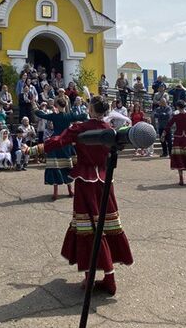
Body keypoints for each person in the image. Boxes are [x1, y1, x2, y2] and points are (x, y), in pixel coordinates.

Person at [28, 96, 133, 295]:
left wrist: (34, 149)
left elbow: (59, 141)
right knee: (106, 224)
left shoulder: (81, 128)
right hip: (105, 181)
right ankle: (109, 278)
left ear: (91, 110)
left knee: (87, 228)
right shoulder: (110, 131)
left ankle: (89, 278)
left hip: (86, 182)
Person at [36, 96, 82, 199]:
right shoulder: (69, 115)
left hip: (55, 140)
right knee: (67, 165)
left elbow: (39, 114)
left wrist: (34, 105)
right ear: (65, 105)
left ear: (57, 106)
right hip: (66, 141)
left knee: (55, 165)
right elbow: (82, 117)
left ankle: (55, 192)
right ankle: (70, 190)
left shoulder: (54, 116)